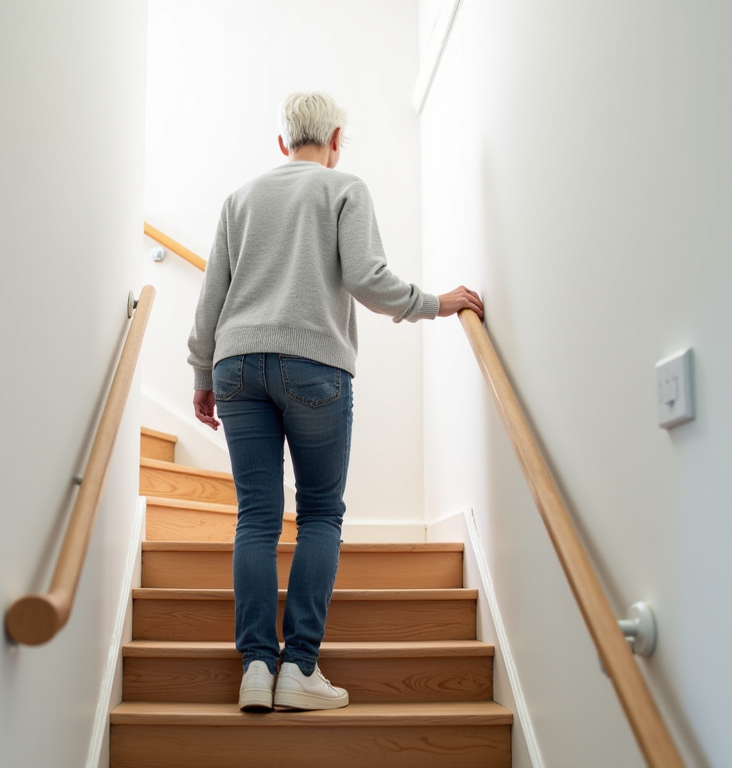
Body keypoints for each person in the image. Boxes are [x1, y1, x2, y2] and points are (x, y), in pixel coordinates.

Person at [187, 92, 484, 713]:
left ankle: (255, 669)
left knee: (256, 518)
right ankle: (298, 668)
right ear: (337, 138)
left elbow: (211, 298)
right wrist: (436, 302)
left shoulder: (239, 199)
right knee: (320, 513)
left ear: (282, 143)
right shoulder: (343, 188)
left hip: (237, 363)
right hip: (314, 363)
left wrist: (200, 372)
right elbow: (367, 279)